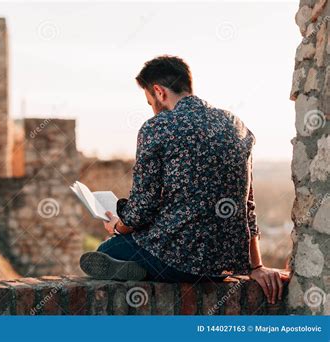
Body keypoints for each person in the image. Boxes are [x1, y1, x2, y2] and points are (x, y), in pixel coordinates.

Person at [80, 55, 288, 304]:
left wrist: (116, 225)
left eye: (150, 102)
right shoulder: (237, 125)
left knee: (107, 250)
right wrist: (257, 266)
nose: (153, 109)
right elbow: (247, 204)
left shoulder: (157, 127)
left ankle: (145, 267)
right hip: (223, 266)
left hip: (178, 260)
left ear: (159, 91)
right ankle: (144, 265)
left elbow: (141, 210)